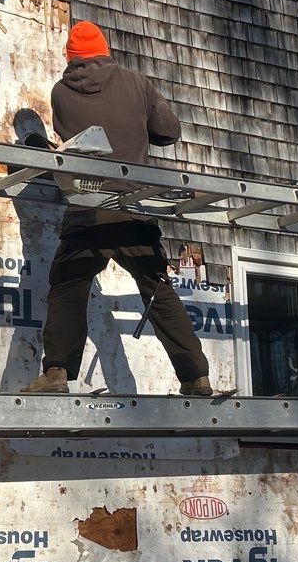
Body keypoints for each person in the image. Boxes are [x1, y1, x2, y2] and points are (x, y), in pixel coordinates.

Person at [23, 22, 213, 395]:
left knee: (67, 288)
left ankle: (57, 372)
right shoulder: (137, 82)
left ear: (70, 57)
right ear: (105, 50)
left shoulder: (60, 92)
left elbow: (70, 137)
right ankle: (195, 377)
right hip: (131, 207)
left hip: (86, 208)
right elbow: (168, 132)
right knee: (157, 290)